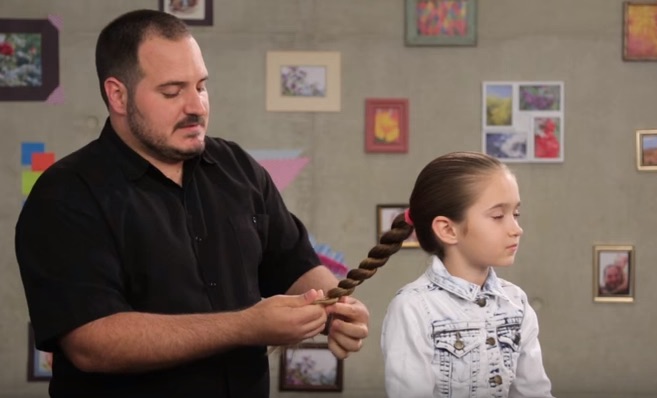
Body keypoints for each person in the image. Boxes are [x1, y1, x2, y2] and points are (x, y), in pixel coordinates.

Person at [14, 9, 368, 398]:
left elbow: (294, 263)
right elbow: (92, 343)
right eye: (172, 91)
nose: (196, 106)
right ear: (117, 94)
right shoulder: (66, 195)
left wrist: (335, 307)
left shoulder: (237, 168)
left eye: (200, 86)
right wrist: (245, 326)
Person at [376, 151, 553, 397]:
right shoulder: (412, 308)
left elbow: (534, 392)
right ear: (448, 229)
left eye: (516, 214)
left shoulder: (517, 303)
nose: (517, 229)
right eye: (498, 216)